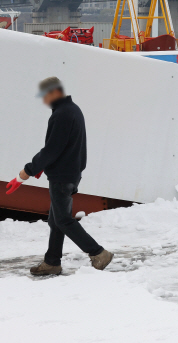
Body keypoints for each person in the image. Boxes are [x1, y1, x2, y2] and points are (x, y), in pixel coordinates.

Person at [5, 77, 113, 276]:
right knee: (55, 221)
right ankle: (52, 262)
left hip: (62, 176)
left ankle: (98, 253)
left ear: (54, 92)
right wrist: (40, 166)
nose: (43, 101)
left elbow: (52, 149)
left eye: (44, 96)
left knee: (63, 220)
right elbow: (62, 146)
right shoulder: (73, 109)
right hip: (70, 172)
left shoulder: (62, 114)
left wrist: (26, 171)